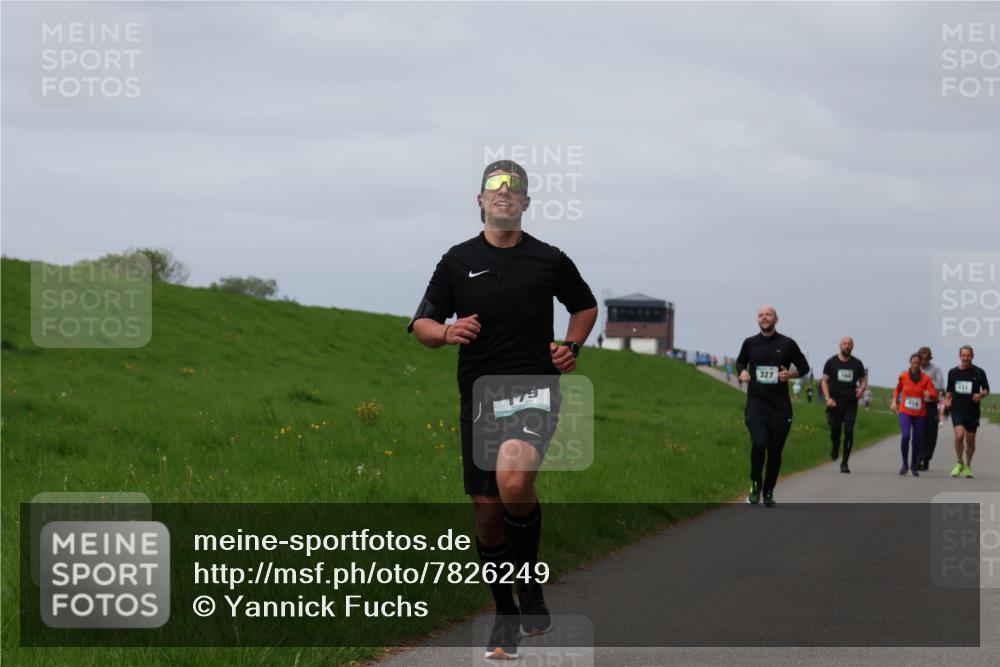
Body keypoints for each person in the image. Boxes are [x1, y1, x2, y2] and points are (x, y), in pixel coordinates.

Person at [408, 159, 598, 660]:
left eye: (515, 188)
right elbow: (423, 324)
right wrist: (447, 332)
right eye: (495, 186)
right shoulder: (455, 260)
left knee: (515, 480)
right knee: (487, 513)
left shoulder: (549, 259)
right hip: (478, 396)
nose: (504, 193)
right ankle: (504, 614)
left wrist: (571, 347)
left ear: (526, 202)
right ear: (480, 199)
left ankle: (529, 584)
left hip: (534, 387)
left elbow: (585, 306)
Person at [736, 305, 810, 507]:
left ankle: (768, 489)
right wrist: (742, 372)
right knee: (759, 444)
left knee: (775, 451)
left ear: (777, 319)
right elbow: (740, 362)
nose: (764, 318)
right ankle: (755, 483)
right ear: (757, 320)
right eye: (760, 315)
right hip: (756, 405)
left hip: (780, 408)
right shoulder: (750, 343)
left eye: (768, 315)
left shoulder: (787, 344)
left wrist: (790, 374)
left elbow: (804, 367)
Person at [821, 337, 867, 474]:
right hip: (834, 403)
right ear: (840, 345)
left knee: (848, 430)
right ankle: (835, 445)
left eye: (849, 344)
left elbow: (863, 381)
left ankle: (845, 463)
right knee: (835, 432)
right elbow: (824, 381)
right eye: (845, 344)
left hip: (850, 403)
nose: (847, 346)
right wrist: (827, 398)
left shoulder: (857, 364)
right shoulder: (831, 362)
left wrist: (861, 389)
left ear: (852, 346)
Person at [945, 345, 991, 478]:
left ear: (972, 356)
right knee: (959, 436)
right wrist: (948, 399)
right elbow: (949, 389)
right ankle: (959, 462)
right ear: (959, 356)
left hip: (972, 411)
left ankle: (968, 465)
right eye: (963, 355)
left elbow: (987, 389)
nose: (966, 358)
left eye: (968, 355)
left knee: (970, 441)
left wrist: (980, 395)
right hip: (957, 409)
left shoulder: (979, 372)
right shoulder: (953, 372)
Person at [891, 353, 938, 476]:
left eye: (918, 363)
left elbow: (934, 394)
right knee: (905, 436)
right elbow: (897, 390)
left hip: (920, 414)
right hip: (905, 412)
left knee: (916, 440)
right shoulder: (903, 376)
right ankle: (904, 465)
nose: (915, 365)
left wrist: (929, 394)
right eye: (913, 363)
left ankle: (913, 466)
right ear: (910, 363)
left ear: (921, 364)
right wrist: (894, 402)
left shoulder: (926, 378)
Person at [916, 347, 946, 471]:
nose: (923, 362)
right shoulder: (915, 369)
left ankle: (927, 458)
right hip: (918, 405)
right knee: (919, 432)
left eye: (926, 359)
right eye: (921, 359)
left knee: (931, 432)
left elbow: (941, 386)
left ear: (929, 358)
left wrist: (927, 386)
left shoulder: (935, 369)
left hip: (931, 404)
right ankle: (919, 457)